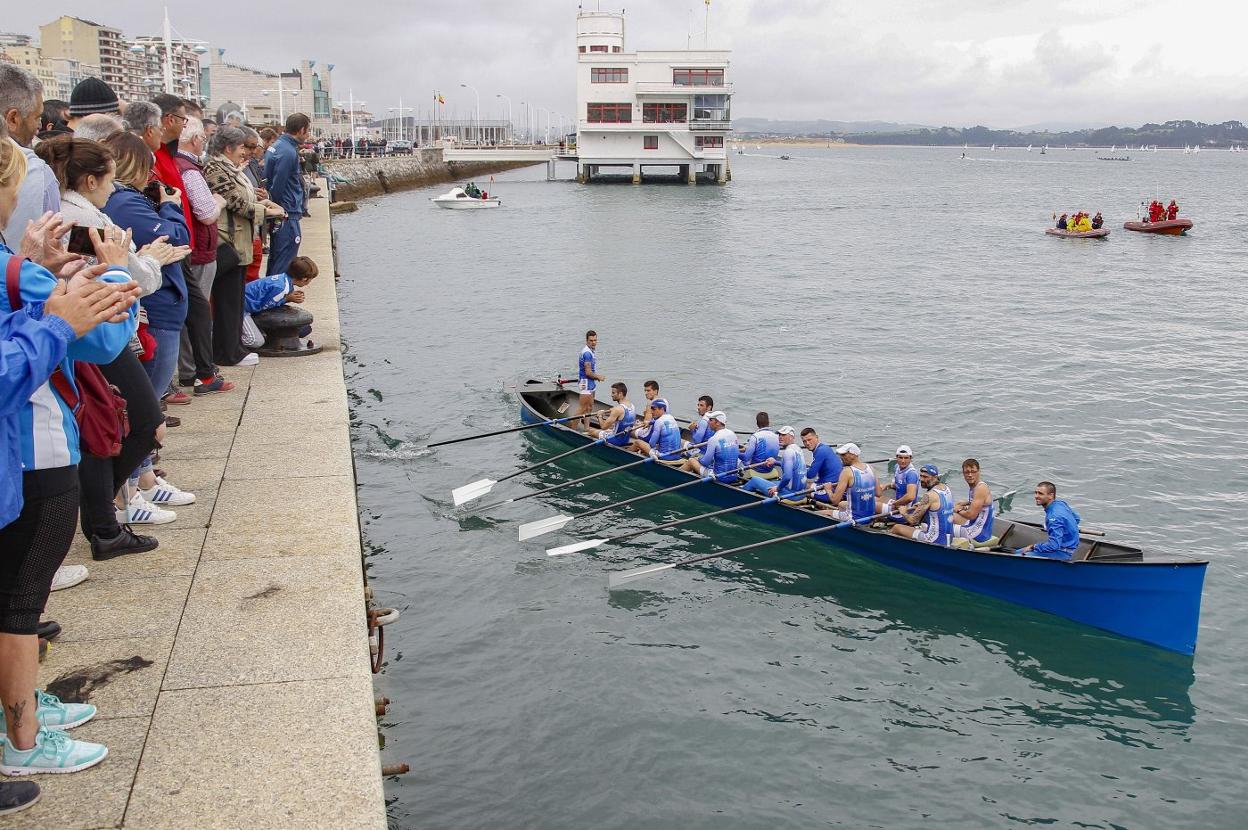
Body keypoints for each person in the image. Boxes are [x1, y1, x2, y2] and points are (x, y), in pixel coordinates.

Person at [0, 136, 139, 777]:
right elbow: (104, 338)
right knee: (21, 603)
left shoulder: (15, 267)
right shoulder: (15, 273)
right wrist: (115, 272)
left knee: (16, 599)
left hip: (25, 449)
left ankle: (20, 709)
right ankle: (22, 738)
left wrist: (36, 270)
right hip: (34, 450)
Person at [36, 135, 190, 553]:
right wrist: (149, 260)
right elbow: (130, 279)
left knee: (106, 427)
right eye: (111, 178)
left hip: (83, 331)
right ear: (90, 180)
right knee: (135, 424)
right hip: (96, 332)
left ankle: (104, 518)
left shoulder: (72, 213)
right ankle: (101, 516)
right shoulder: (89, 222)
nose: (116, 187)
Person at [205, 127, 285, 364]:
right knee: (227, 301)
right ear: (228, 148)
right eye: (242, 148)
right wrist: (269, 212)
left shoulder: (228, 168)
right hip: (228, 241)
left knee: (234, 298)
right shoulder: (214, 169)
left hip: (239, 241)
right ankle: (227, 353)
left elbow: (245, 198)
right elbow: (236, 202)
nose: (245, 153)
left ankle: (233, 347)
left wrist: (264, 201)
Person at [173, 116, 226, 383]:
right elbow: (206, 214)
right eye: (203, 138)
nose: (203, 143)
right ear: (195, 140)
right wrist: (219, 201)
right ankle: (194, 370)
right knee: (197, 312)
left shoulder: (176, 164)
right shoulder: (189, 170)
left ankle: (191, 369)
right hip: (199, 251)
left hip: (191, 248)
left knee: (190, 312)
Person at [1, 66, 60, 243]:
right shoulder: (36, 172)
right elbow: (53, 244)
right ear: (13, 118)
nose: (39, 125)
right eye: (36, 117)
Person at [264, 113, 311, 275]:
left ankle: (273, 294)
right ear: (302, 130)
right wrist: (279, 210)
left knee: (277, 256)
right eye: (308, 131)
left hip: (284, 211)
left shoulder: (278, 146)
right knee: (285, 257)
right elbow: (278, 184)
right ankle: (277, 297)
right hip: (286, 212)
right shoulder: (287, 152)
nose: (308, 135)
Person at [891, 464, 955, 546]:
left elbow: (913, 521)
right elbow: (936, 506)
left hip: (934, 539)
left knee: (897, 528)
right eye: (920, 476)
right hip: (949, 538)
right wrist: (921, 505)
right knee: (925, 524)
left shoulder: (929, 495)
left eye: (925, 477)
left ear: (935, 477)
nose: (921, 479)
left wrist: (903, 512)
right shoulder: (946, 488)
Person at [1015, 481, 1081, 560]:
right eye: (1036, 493)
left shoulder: (1053, 517)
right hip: (1066, 547)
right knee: (1017, 552)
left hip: (1062, 552)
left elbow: (1054, 545)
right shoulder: (1061, 504)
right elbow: (1076, 519)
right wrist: (1066, 529)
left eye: (1040, 493)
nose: (1036, 496)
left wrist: (1033, 547)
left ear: (1051, 495)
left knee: (1017, 557)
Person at [742, 425, 806, 498]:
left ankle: (738, 497)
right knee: (772, 482)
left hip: (791, 495)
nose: (780, 437)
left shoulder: (788, 452)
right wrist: (775, 462)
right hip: (801, 493)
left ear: (792, 437)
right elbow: (792, 466)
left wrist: (777, 489)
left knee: (754, 480)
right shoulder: (798, 449)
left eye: (784, 435)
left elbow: (787, 477)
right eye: (779, 434)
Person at [819, 443, 877, 521]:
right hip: (870, 515)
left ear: (853, 455)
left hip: (853, 518)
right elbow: (878, 493)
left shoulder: (846, 472)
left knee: (821, 513)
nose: (841, 457)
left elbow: (835, 501)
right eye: (840, 455)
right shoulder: (870, 468)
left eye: (844, 455)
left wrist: (828, 489)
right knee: (841, 504)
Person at [680, 410, 739, 482]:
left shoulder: (713, 439)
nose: (708, 422)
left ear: (718, 423)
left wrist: (697, 459)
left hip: (718, 477)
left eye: (711, 420)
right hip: (733, 476)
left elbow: (705, 462)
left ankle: (673, 479)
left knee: (691, 461)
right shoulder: (733, 434)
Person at [952, 458, 995, 546]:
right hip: (979, 528)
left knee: (941, 528)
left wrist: (958, 510)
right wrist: (963, 504)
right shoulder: (974, 487)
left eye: (973, 471)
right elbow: (977, 504)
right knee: (949, 517)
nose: (970, 475)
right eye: (967, 472)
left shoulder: (980, 488)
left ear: (979, 471)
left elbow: (971, 515)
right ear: (963, 474)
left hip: (977, 534)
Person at [801, 427, 843, 505]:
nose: (807, 443)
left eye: (809, 440)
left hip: (830, 490)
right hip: (835, 485)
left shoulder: (820, 451)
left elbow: (810, 475)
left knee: (800, 487)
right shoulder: (825, 447)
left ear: (817, 437)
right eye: (804, 441)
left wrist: (797, 469)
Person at [588, 382, 636, 447]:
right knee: (608, 430)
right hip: (625, 439)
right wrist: (613, 411)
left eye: (613, 393)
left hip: (615, 440)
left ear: (620, 394)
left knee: (591, 431)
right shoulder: (632, 406)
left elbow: (603, 427)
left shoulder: (617, 409)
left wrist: (599, 416)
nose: (611, 395)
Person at [880, 445, 920, 519]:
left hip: (905, 511)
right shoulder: (897, 467)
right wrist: (887, 485)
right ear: (896, 457)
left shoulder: (911, 474)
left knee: (872, 505)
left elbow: (910, 497)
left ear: (911, 458)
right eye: (900, 457)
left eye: (906, 458)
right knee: (874, 498)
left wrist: (895, 504)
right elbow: (898, 484)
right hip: (897, 504)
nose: (903, 461)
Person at [575, 329, 604, 429]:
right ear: (586, 341)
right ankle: (571, 429)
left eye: (595, 340)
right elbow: (588, 372)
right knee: (582, 409)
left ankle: (586, 428)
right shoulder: (587, 353)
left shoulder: (591, 351)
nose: (593, 342)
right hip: (585, 383)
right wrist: (598, 376)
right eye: (591, 340)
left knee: (589, 407)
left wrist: (595, 378)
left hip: (591, 382)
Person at [740, 411, 781, 481]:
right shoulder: (777, 436)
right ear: (768, 422)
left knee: (739, 461)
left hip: (757, 470)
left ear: (757, 423)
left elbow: (746, 458)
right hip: (770, 469)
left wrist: (736, 452)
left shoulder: (755, 437)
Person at [629, 379, 661, 454]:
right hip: (659, 434)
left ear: (656, 391)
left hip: (649, 435)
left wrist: (637, 424)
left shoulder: (650, 404)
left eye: (648, 390)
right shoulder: (664, 401)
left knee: (628, 429)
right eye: (645, 391)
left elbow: (645, 425)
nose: (646, 393)